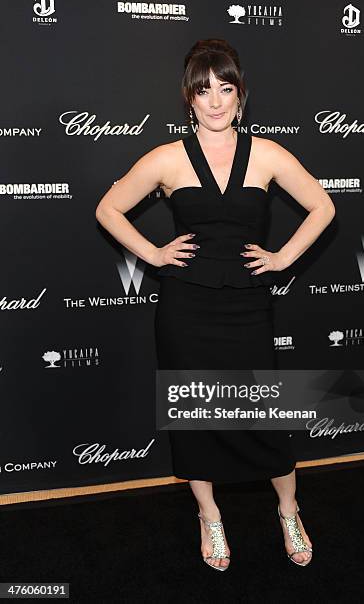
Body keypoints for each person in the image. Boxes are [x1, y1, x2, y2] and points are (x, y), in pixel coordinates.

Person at [95, 38, 335, 571]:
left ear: (240, 94)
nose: (216, 101)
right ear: (189, 99)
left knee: (266, 416)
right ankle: (210, 517)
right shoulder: (166, 158)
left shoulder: (268, 153)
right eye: (204, 91)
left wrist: (282, 259)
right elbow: (108, 209)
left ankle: (289, 510)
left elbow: (323, 205)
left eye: (225, 88)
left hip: (249, 306)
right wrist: (154, 254)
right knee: (195, 415)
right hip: (185, 309)